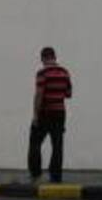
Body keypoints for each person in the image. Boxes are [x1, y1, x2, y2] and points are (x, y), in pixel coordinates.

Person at [28, 46, 72, 183]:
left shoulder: (42, 73)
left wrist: (35, 115)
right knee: (57, 145)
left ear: (43, 58)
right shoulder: (65, 72)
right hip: (60, 112)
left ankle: (36, 174)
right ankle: (56, 176)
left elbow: (39, 95)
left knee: (35, 143)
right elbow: (68, 94)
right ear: (54, 57)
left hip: (44, 112)